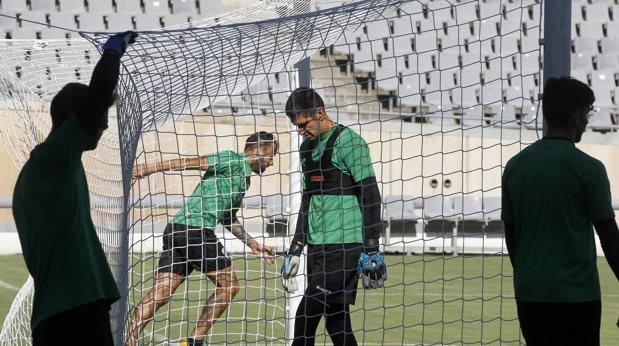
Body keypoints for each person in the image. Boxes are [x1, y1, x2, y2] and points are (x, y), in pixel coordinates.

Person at [11, 32, 137, 345]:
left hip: (70, 311)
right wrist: (112, 51)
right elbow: (96, 100)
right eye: (102, 116)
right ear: (72, 121)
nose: (106, 124)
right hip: (70, 314)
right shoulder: (52, 159)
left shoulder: (56, 166)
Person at [125, 132, 278, 346]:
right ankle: (194, 341)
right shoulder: (232, 160)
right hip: (196, 230)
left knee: (163, 290)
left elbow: (228, 217)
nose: (271, 162)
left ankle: (127, 340)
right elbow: (191, 163)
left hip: (177, 229)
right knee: (229, 286)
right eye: (271, 155)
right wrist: (147, 169)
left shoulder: (245, 181)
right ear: (258, 149)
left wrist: (252, 244)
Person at [501, 77, 619, 345]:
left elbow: (512, 234)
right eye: (587, 113)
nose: (587, 122)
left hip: (530, 293)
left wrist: (528, 274)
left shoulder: (515, 166)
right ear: (576, 115)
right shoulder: (589, 169)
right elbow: (609, 238)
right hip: (577, 295)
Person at [280, 87, 387, 346]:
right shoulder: (306, 149)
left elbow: (370, 195)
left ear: (320, 112)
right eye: (296, 126)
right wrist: (296, 248)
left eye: (304, 124)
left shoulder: (349, 142)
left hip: (345, 248)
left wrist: (371, 247)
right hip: (317, 248)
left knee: (305, 319)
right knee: (337, 323)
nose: (301, 131)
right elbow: (308, 201)